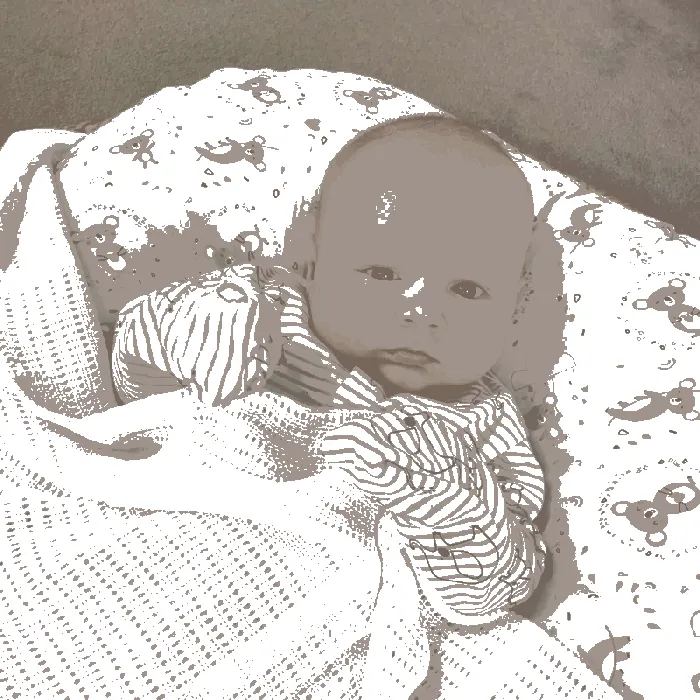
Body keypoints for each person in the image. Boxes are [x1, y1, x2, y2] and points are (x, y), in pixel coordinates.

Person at [109, 114, 547, 696]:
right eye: (382, 272)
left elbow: (499, 588)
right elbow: (132, 391)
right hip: (166, 529)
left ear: (514, 305)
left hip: (318, 606)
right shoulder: (264, 312)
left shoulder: (483, 422)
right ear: (309, 257)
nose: (422, 311)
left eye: (468, 289)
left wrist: (448, 490)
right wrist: (186, 330)